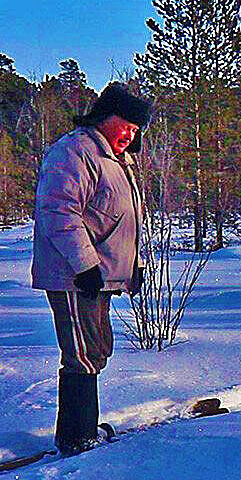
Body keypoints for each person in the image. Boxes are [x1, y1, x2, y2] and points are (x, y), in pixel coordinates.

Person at [31, 82, 151, 455]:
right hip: (73, 275)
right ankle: (76, 436)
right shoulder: (75, 151)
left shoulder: (115, 161)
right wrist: (85, 265)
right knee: (81, 352)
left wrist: (135, 264)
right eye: (125, 126)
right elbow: (59, 211)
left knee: (96, 349)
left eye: (135, 130)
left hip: (97, 275)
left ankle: (85, 426)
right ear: (105, 119)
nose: (129, 135)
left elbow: (122, 219)